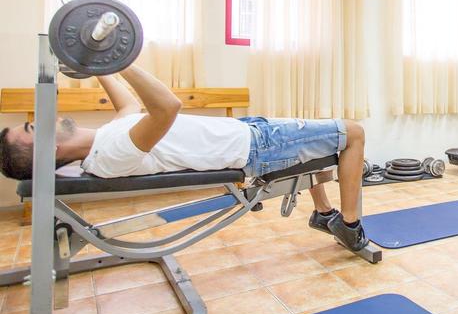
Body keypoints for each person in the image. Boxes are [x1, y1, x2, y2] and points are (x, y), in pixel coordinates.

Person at [0, 65, 370, 252]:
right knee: (352, 133)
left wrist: (102, 65)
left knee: (318, 147)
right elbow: (166, 107)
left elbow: (128, 105)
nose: (40, 121)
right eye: (32, 129)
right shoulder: (111, 153)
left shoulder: (103, 142)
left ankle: (324, 215)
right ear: (50, 150)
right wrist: (124, 59)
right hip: (258, 146)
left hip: (248, 131)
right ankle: (349, 226)